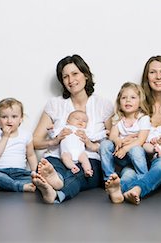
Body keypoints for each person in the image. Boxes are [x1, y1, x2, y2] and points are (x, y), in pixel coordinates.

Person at [104, 56, 161, 205]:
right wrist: (126, 139)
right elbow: (118, 124)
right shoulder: (138, 100)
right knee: (128, 173)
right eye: (152, 72)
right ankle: (117, 192)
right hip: (139, 159)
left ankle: (139, 189)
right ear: (146, 77)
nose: (158, 77)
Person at [31, 54, 114, 203]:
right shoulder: (55, 104)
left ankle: (55, 192)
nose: (71, 80)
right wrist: (54, 141)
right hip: (57, 157)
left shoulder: (103, 105)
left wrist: (92, 146)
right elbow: (35, 141)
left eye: (75, 74)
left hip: (89, 160)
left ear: (86, 75)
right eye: (65, 77)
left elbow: (112, 142)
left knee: (79, 173)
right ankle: (55, 180)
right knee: (49, 167)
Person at [0, 98, 38, 192]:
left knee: (38, 180)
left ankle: (2, 185)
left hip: (19, 173)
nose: (9, 121)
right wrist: (5, 136)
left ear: (21, 119)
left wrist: (35, 172)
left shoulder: (26, 135)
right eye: (4, 117)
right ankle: (19, 187)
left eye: (14, 116)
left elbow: (31, 155)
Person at [100, 82, 151, 180]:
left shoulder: (143, 118)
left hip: (136, 156)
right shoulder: (118, 117)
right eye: (124, 98)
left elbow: (140, 140)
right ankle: (109, 178)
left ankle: (143, 178)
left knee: (136, 149)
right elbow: (112, 136)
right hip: (119, 156)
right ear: (119, 102)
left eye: (133, 97)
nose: (128, 100)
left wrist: (125, 148)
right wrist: (117, 140)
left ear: (140, 101)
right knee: (105, 144)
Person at [50, 110, 103, 177]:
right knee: (65, 157)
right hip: (67, 151)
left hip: (80, 152)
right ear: (68, 121)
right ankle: (73, 167)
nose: (81, 121)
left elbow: (94, 137)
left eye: (84, 121)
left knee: (85, 159)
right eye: (77, 119)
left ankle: (88, 170)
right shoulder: (64, 128)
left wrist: (104, 133)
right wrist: (51, 129)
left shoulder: (84, 131)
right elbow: (53, 134)